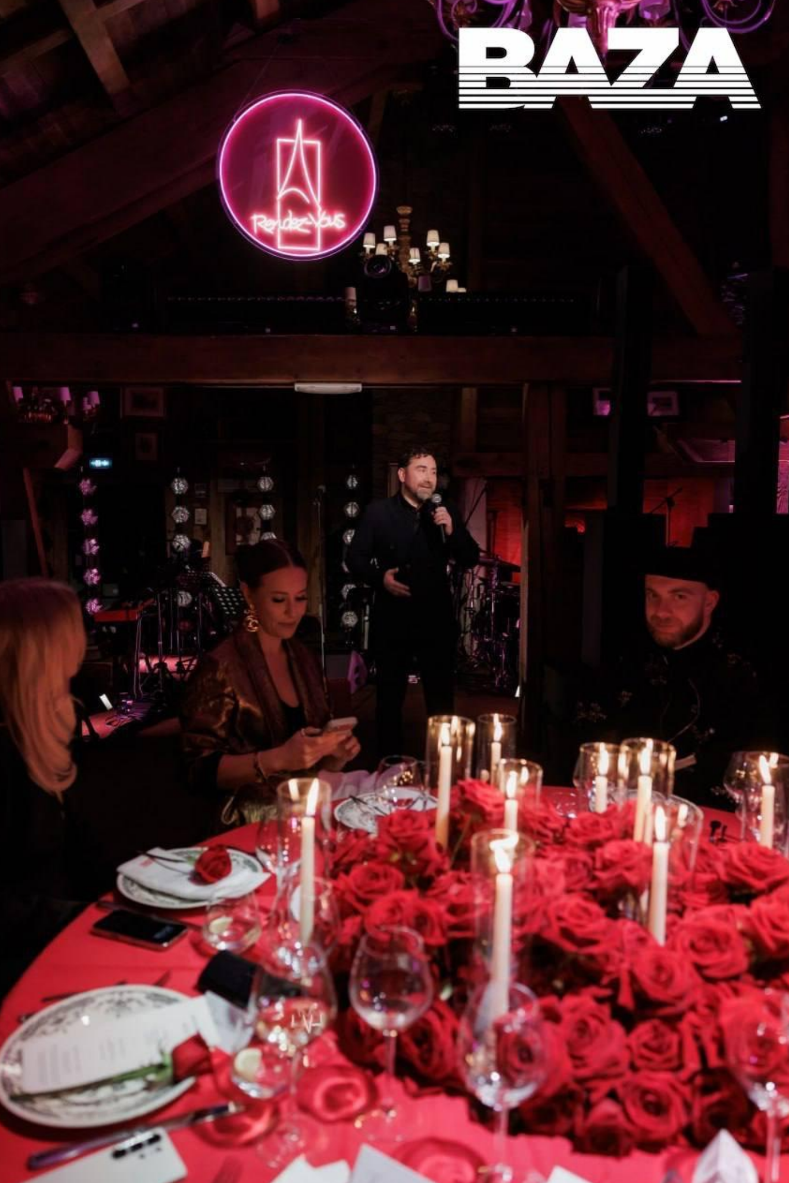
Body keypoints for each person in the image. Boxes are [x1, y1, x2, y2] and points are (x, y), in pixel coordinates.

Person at [574, 545, 777, 806]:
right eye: (652, 595)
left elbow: (751, 776)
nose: (661, 611)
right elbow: (589, 748)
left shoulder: (743, 675)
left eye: (679, 597)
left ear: (709, 602)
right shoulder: (623, 660)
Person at [181, 540, 360, 826]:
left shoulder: (304, 658)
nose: (293, 611)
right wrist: (278, 759)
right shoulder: (221, 666)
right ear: (248, 594)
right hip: (248, 817)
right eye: (278, 600)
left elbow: (312, 764)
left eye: (300, 598)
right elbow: (197, 771)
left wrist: (334, 755)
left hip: (305, 806)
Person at [346, 446, 480, 756]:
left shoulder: (445, 510)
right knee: (389, 699)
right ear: (402, 475)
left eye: (433, 472)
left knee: (441, 698)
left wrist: (452, 530)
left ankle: (443, 764)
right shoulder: (378, 512)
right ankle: (390, 766)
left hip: (436, 618)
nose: (429, 478)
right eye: (421, 470)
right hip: (393, 617)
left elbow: (470, 557)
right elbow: (355, 558)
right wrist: (380, 579)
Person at [0, 579, 88, 995]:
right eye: (74, 627)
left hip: (64, 935)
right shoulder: (7, 755)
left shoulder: (54, 720)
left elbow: (78, 849)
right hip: (24, 965)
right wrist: (87, 917)